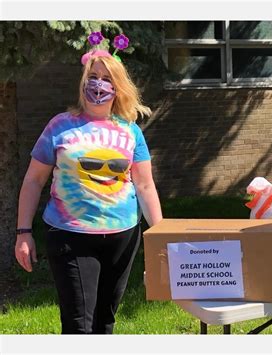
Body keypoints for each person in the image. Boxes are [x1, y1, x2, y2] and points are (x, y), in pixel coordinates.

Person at [14, 36, 163, 334]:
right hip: (70, 236)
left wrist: (161, 239)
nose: (99, 85)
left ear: (118, 87)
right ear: (83, 82)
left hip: (123, 237)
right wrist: (23, 232)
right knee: (79, 325)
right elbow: (33, 180)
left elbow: (145, 187)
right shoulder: (60, 125)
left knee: (104, 323)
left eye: (107, 79)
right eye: (92, 77)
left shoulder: (131, 131)